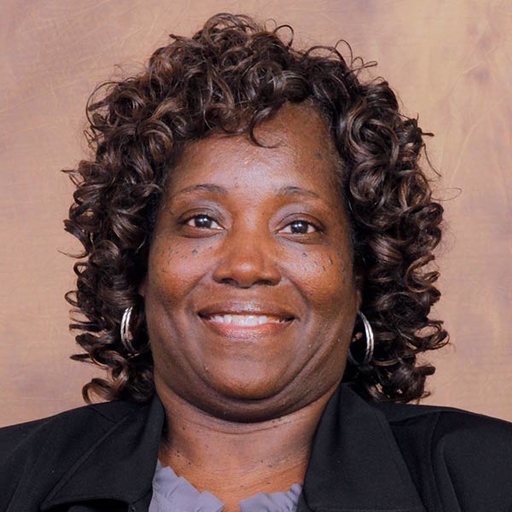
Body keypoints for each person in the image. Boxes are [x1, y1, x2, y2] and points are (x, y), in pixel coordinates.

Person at [1, 13, 511, 512]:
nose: (245, 266)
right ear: (139, 262)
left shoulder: (490, 476)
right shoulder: (11, 475)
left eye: (299, 226)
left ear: (362, 274)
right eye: (202, 220)